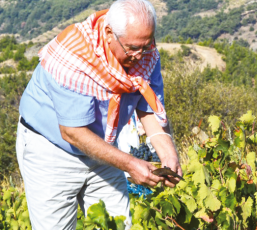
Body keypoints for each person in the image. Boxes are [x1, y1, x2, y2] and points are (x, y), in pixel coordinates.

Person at [15, 0, 182, 228]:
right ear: (109, 33)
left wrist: (168, 153)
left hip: (104, 147)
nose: (140, 55)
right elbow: (73, 132)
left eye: (146, 45)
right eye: (133, 48)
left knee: (117, 224)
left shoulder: (145, 54)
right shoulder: (74, 56)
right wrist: (131, 164)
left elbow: (149, 107)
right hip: (52, 150)